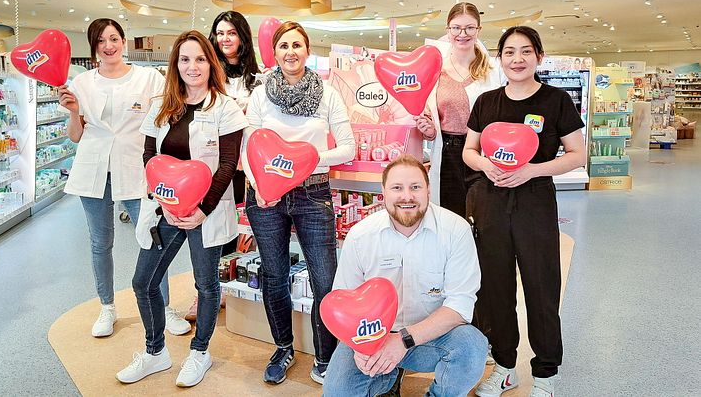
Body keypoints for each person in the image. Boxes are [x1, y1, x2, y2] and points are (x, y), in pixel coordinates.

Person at [115, 30, 247, 387]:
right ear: (176, 64)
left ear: (211, 63)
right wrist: (166, 202)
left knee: (206, 285)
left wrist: (201, 209)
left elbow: (228, 164)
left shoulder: (226, 107)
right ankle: (155, 352)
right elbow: (149, 155)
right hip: (165, 210)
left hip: (207, 212)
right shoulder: (162, 104)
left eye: (200, 59)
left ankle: (199, 352)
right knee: (143, 282)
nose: (193, 66)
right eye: (185, 59)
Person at [462, 26, 586, 397]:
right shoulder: (486, 102)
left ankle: (546, 373)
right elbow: (469, 151)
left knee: (541, 287)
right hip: (490, 202)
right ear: (500, 59)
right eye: (510, 52)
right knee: (494, 288)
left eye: (526, 52)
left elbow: (579, 155)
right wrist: (486, 165)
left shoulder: (556, 101)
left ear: (539, 58)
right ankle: (504, 367)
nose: (517, 59)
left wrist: (532, 169)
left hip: (534, 202)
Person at [57, 18, 189, 338]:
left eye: (113, 38)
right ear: (94, 47)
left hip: (135, 166)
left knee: (151, 239)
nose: (108, 46)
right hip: (94, 168)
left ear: (124, 41)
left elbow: (167, 119)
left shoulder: (148, 79)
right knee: (101, 242)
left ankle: (165, 307)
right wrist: (74, 111)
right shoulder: (83, 83)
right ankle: (107, 307)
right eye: (101, 41)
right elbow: (75, 136)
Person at [242, 21, 356, 385]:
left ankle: (325, 358)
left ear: (308, 51)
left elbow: (348, 147)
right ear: (274, 53)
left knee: (325, 278)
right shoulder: (260, 95)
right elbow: (247, 146)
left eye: (297, 45)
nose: (290, 51)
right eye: (283, 46)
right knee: (274, 276)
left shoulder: (328, 94)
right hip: (265, 195)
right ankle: (283, 348)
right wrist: (259, 182)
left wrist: (304, 161)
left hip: (313, 191)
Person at [323, 155, 488, 397]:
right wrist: (360, 347)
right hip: (370, 337)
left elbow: (460, 306)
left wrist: (402, 341)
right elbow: (342, 301)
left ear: (428, 189)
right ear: (383, 192)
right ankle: (387, 379)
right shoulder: (360, 236)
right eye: (397, 188)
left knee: (472, 347)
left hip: (429, 337)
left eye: (415, 187)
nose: (407, 196)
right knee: (338, 392)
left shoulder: (456, 231)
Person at [183, 10, 261, 322]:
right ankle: (205, 293)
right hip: (214, 164)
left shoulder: (260, 78)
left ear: (243, 37)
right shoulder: (205, 74)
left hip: (250, 166)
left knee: (240, 228)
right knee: (210, 229)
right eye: (220, 32)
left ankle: (233, 287)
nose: (225, 38)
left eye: (231, 32)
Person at [416, 2, 507, 218]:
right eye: (456, 28)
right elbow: (432, 118)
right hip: (448, 152)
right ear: (448, 30)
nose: (462, 34)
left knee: (485, 215)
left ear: (478, 30)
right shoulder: (436, 71)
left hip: (483, 152)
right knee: (451, 216)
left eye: (469, 28)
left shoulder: (493, 71)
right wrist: (429, 130)